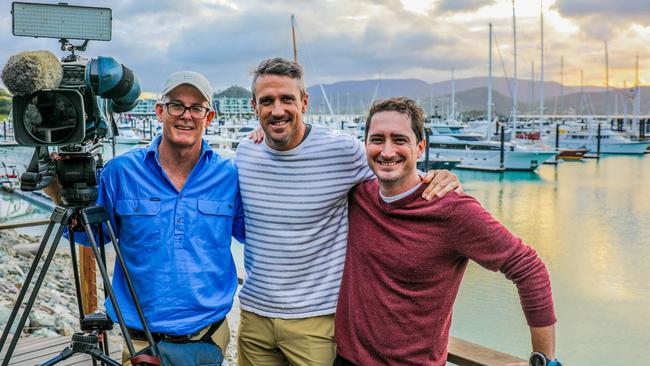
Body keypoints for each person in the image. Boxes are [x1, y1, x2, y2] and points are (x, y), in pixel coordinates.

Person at [234, 58, 462, 366]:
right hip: (254, 318)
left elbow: (393, 178)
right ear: (254, 107)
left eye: (287, 99)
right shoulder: (246, 151)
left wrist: (435, 178)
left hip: (316, 322)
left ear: (304, 102)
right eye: (267, 101)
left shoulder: (342, 151)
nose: (277, 110)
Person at [334, 97, 561, 366]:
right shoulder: (357, 196)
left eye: (399, 139)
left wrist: (544, 360)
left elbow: (529, 269)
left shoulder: (452, 210)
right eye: (377, 139)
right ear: (365, 145)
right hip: (346, 359)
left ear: (420, 148)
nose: (386, 151)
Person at [45, 71, 244, 365]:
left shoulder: (229, 176)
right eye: (177, 105)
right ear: (160, 111)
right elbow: (89, 235)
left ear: (209, 117)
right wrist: (57, 191)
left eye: (197, 108)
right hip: (139, 341)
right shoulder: (120, 172)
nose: (186, 115)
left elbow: (252, 234)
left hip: (208, 337)